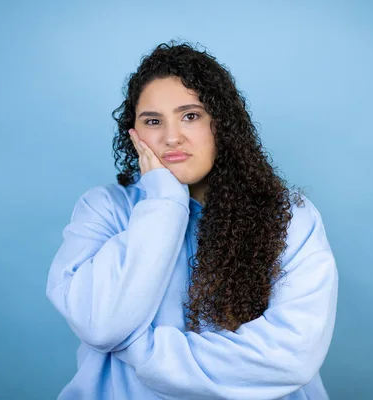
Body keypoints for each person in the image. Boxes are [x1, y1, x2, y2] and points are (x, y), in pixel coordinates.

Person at [46, 41, 339, 400]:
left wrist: (141, 349)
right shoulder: (103, 209)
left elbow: (289, 358)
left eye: (190, 116)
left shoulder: (288, 215)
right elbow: (102, 325)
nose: (171, 137)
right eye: (153, 121)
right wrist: (165, 202)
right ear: (134, 134)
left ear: (222, 125)